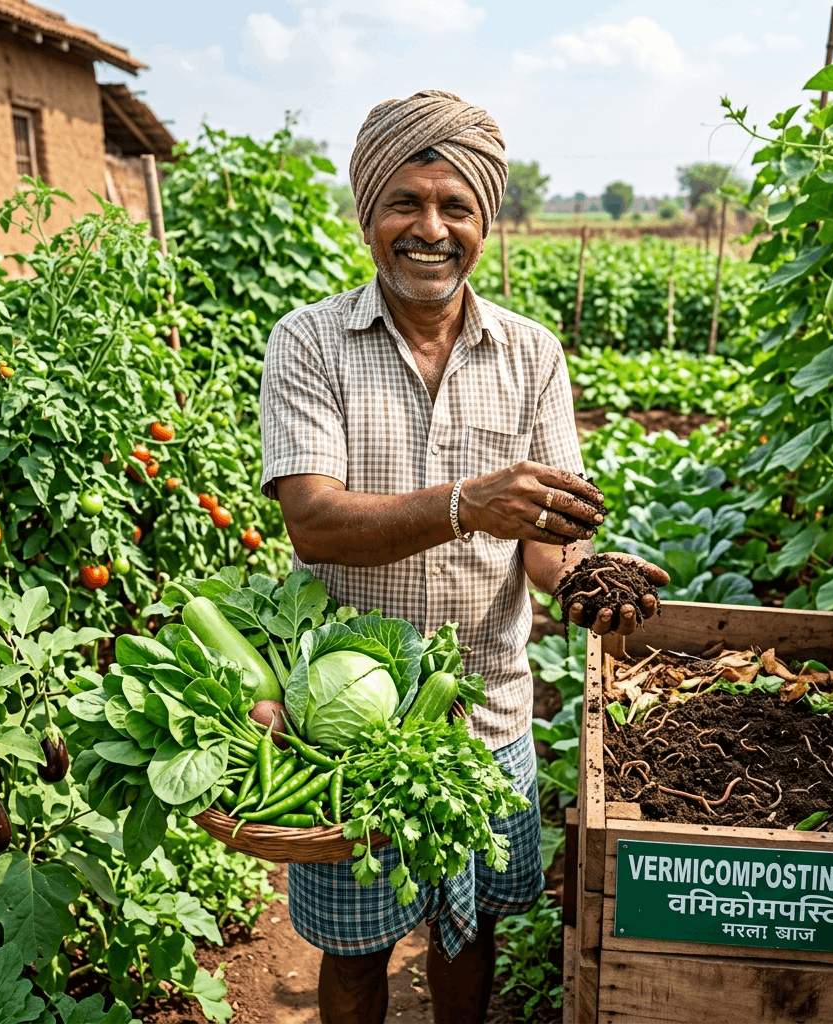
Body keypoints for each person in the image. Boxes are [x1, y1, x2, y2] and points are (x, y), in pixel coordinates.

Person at [258, 89, 668, 1024]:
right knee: (355, 949)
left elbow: (546, 546)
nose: (430, 228)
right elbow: (314, 523)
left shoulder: (532, 355)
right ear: (369, 214)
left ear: (484, 222)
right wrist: (463, 505)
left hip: (487, 713)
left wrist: (586, 584)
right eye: (406, 202)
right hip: (346, 734)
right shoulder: (309, 342)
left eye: (457, 207)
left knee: (469, 929)